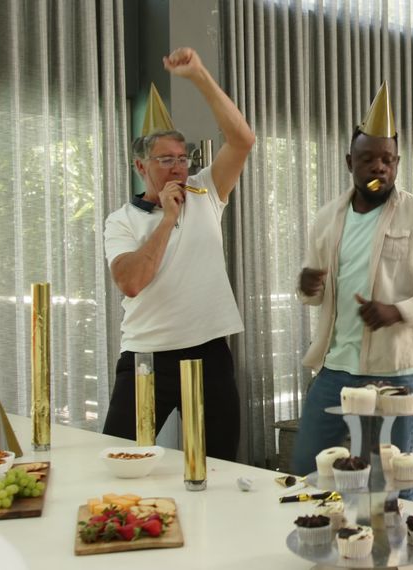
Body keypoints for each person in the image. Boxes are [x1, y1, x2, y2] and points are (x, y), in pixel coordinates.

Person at [290, 84, 413, 499]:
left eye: (388, 159)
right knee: (310, 472)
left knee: (392, 482)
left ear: (397, 163)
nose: (379, 168)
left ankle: (398, 540)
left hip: (396, 372)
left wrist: (399, 311)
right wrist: (307, 285)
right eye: (368, 159)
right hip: (335, 368)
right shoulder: (327, 218)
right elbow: (315, 292)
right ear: (350, 161)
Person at [101, 47, 255, 461]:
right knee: (121, 458)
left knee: (217, 464)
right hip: (146, 357)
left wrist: (199, 74)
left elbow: (243, 140)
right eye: (166, 160)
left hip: (209, 352)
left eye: (183, 159)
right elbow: (131, 282)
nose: (178, 169)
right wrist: (167, 219)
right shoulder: (121, 221)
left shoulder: (206, 191)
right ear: (141, 167)